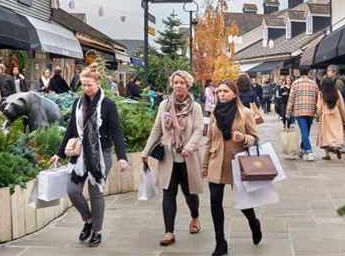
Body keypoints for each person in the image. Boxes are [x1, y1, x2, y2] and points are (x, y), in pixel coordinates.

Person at [51, 63, 128, 248]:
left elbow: (116, 131)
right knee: (72, 190)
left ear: (97, 83)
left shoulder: (107, 104)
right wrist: (59, 153)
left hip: (101, 154)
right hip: (80, 154)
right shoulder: (78, 102)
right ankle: (88, 220)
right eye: (83, 85)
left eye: (89, 85)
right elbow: (71, 128)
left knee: (95, 193)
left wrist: (122, 157)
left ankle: (98, 231)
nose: (86, 89)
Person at [142, 71, 204, 247]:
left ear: (188, 85)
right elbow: (157, 130)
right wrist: (146, 151)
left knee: (190, 194)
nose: (178, 86)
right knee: (168, 195)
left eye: (182, 83)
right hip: (168, 157)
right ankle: (169, 232)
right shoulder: (164, 105)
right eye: (175, 82)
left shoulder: (196, 107)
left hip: (188, 159)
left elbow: (199, 130)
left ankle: (195, 217)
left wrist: (190, 147)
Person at [202, 80, 262, 255]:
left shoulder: (245, 113)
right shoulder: (214, 113)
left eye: (226, 91)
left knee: (243, 202)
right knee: (215, 202)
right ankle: (220, 242)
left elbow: (255, 139)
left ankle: (253, 222)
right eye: (219, 91)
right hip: (215, 162)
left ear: (234, 94)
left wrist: (243, 138)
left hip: (237, 163)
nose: (221, 94)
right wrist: (205, 164)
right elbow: (209, 141)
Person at [285, 67, 319, 161]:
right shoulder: (314, 83)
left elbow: (291, 99)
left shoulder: (295, 83)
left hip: (299, 111)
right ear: (308, 73)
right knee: (306, 131)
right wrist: (317, 111)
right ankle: (307, 150)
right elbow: (318, 98)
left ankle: (305, 149)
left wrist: (288, 113)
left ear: (299, 73)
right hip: (311, 111)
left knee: (304, 132)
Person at [315, 78, 345, 160]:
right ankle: (335, 147)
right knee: (335, 133)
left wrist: (317, 115)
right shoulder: (337, 92)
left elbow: (319, 106)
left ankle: (327, 155)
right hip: (336, 115)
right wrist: (344, 117)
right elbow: (342, 106)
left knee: (325, 136)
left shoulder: (321, 93)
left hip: (325, 116)